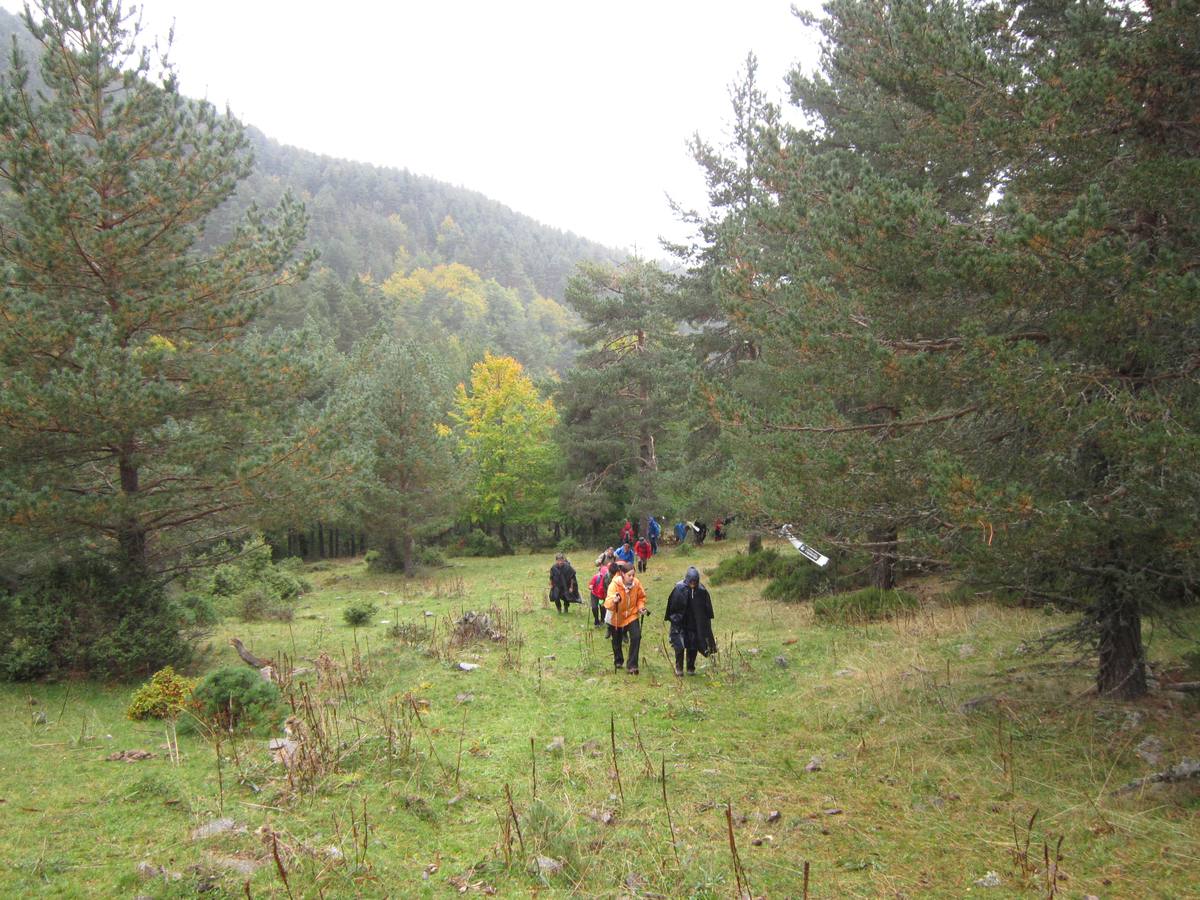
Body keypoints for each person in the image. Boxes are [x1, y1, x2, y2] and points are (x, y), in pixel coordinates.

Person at [664, 566, 717, 676]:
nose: (693, 584)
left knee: (693, 644)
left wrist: (704, 624)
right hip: (681, 622)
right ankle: (679, 668)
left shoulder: (701, 591)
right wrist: (675, 621)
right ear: (687, 580)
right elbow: (673, 607)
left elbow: (706, 609)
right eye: (691, 581)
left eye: (695, 582)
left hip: (694, 623)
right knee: (679, 645)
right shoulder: (679, 589)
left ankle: (690, 667)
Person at [605, 561, 646, 674]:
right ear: (622, 574)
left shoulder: (636, 583)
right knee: (616, 640)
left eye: (633, 575)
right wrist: (614, 600)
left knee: (636, 636)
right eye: (629, 575)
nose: (632, 577)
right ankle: (618, 660)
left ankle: (632, 665)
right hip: (616, 615)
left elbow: (641, 597)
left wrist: (641, 607)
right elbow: (607, 603)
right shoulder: (614, 585)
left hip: (631, 614)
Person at [587, 557, 610, 627]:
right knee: (594, 607)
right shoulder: (596, 577)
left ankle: (602, 620)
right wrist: (590, 586)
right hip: (594, 595)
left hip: (601, 597)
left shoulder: (608, 581)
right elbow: (590, 584)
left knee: (602, 608)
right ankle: (596, 620)